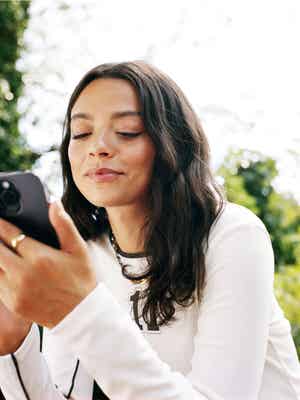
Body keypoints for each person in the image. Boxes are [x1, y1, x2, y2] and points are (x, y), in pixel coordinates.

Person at [0, 60, 299, 400]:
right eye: (81, 133)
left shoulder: (234, 235)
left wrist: (79, 311)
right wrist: (12, 346)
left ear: (171, 142)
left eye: (127, 131)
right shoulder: (85, 254)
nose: (97, 147)